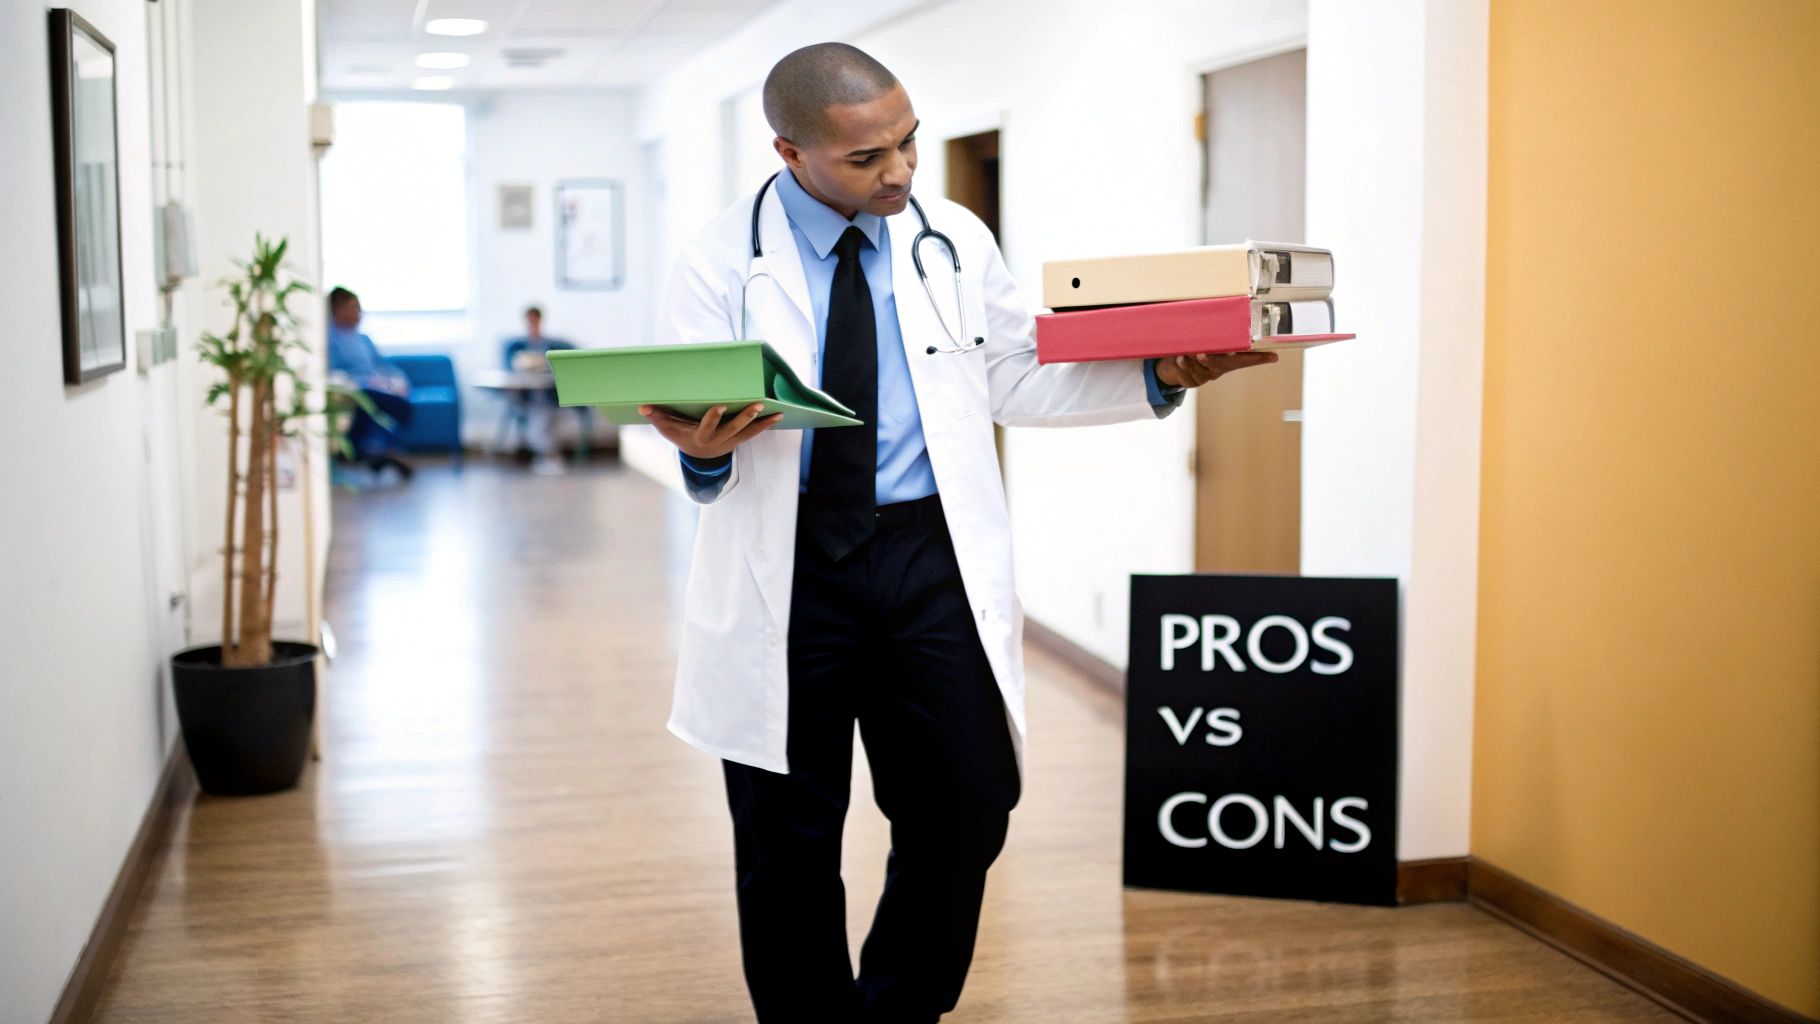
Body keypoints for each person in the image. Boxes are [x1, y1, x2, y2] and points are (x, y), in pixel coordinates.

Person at [641, 43, 1277, 1023]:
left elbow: (1010, 376)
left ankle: (896, 1008)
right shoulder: (720, 261)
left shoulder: (952, 240)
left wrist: (1160, 374)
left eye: (908, 142)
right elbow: (698, 426)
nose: (899, 171)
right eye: (866, 157)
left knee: (967, 803)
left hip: (928, 556)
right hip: (791, 568)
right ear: (790, 152)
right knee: (786, 835)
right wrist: (702, 452)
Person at [326, 286, 414, 480]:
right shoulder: (330, 340)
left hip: (376, 387)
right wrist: (367, 381)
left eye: (359, 308)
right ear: (337, 310)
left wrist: (397, 380)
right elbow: (333, 372)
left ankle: (381, 451)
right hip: (354, 390)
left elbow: (382, 365)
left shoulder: (363, 339)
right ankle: (371, 452)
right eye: (353, 308)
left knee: (402, 402)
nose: (358, 313)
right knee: (389, 405)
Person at [502, 305, 575, 476]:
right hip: (529, 397)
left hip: (549, 396)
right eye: (530, 321)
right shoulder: (517, 347)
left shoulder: (553, 346)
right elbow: (509, 369)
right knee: (537, 428)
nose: (533, 324)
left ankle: (551, 458)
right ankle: (550, 457)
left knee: (543, 427)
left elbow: (563, 370)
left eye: (535, 321)